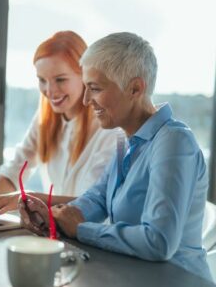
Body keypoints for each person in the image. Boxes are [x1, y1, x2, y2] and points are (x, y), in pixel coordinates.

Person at [19, 32, 212, 282]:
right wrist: (51, 216)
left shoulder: (173, 142)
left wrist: (81, 229)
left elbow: (158, 242)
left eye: (95, 88)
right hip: (132, 275)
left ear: (135, 88)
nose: (87, 100)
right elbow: (98, 199)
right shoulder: (126, 141)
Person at [0, 31, 119, 222]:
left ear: (85, 76)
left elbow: (95, 203)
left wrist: (31, 199)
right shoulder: (47, 118)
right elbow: (16, 167)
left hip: (91, 235)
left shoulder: (108, 129)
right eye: (42, 80)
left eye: (60, 79)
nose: (49, 91)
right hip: (57, 232)